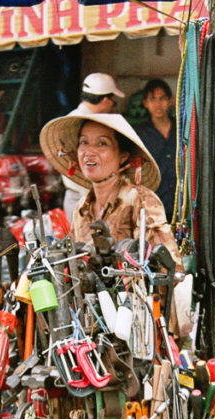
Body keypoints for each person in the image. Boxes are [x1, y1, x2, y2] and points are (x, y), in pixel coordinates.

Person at [40, 112, 182, 271]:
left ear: (123, 156)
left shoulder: (140, 200)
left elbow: (171, 269)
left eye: (102, 144)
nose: (89, 152)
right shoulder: (82, 208)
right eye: (84, 142)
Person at [62, 73, 125, 219]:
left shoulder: (70, 119)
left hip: (84, 196)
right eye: (113, 102)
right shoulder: (78, 122)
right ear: (105, 100)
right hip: (83, 195)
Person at [133, 79, 176, 216]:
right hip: (154, 203)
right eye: (153, 99)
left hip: (180, 201)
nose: (158, 104)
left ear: (170, 101)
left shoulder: (182, 130)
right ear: (145, 103)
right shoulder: (139, 134)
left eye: (162, 98)